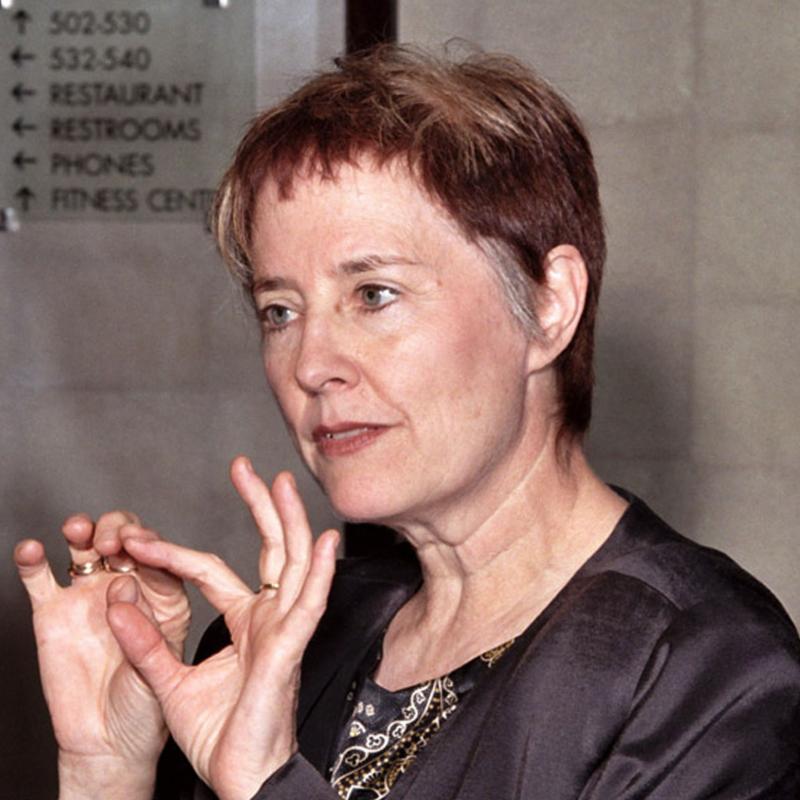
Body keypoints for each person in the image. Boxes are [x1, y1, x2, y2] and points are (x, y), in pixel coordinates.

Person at [15, 45, 800, 800]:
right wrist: (109, 772)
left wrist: (267, 787)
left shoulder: (707, 673)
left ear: (549, 305)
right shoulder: (281, 645)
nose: (311, 363)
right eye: (280, 311)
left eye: (374, 295)